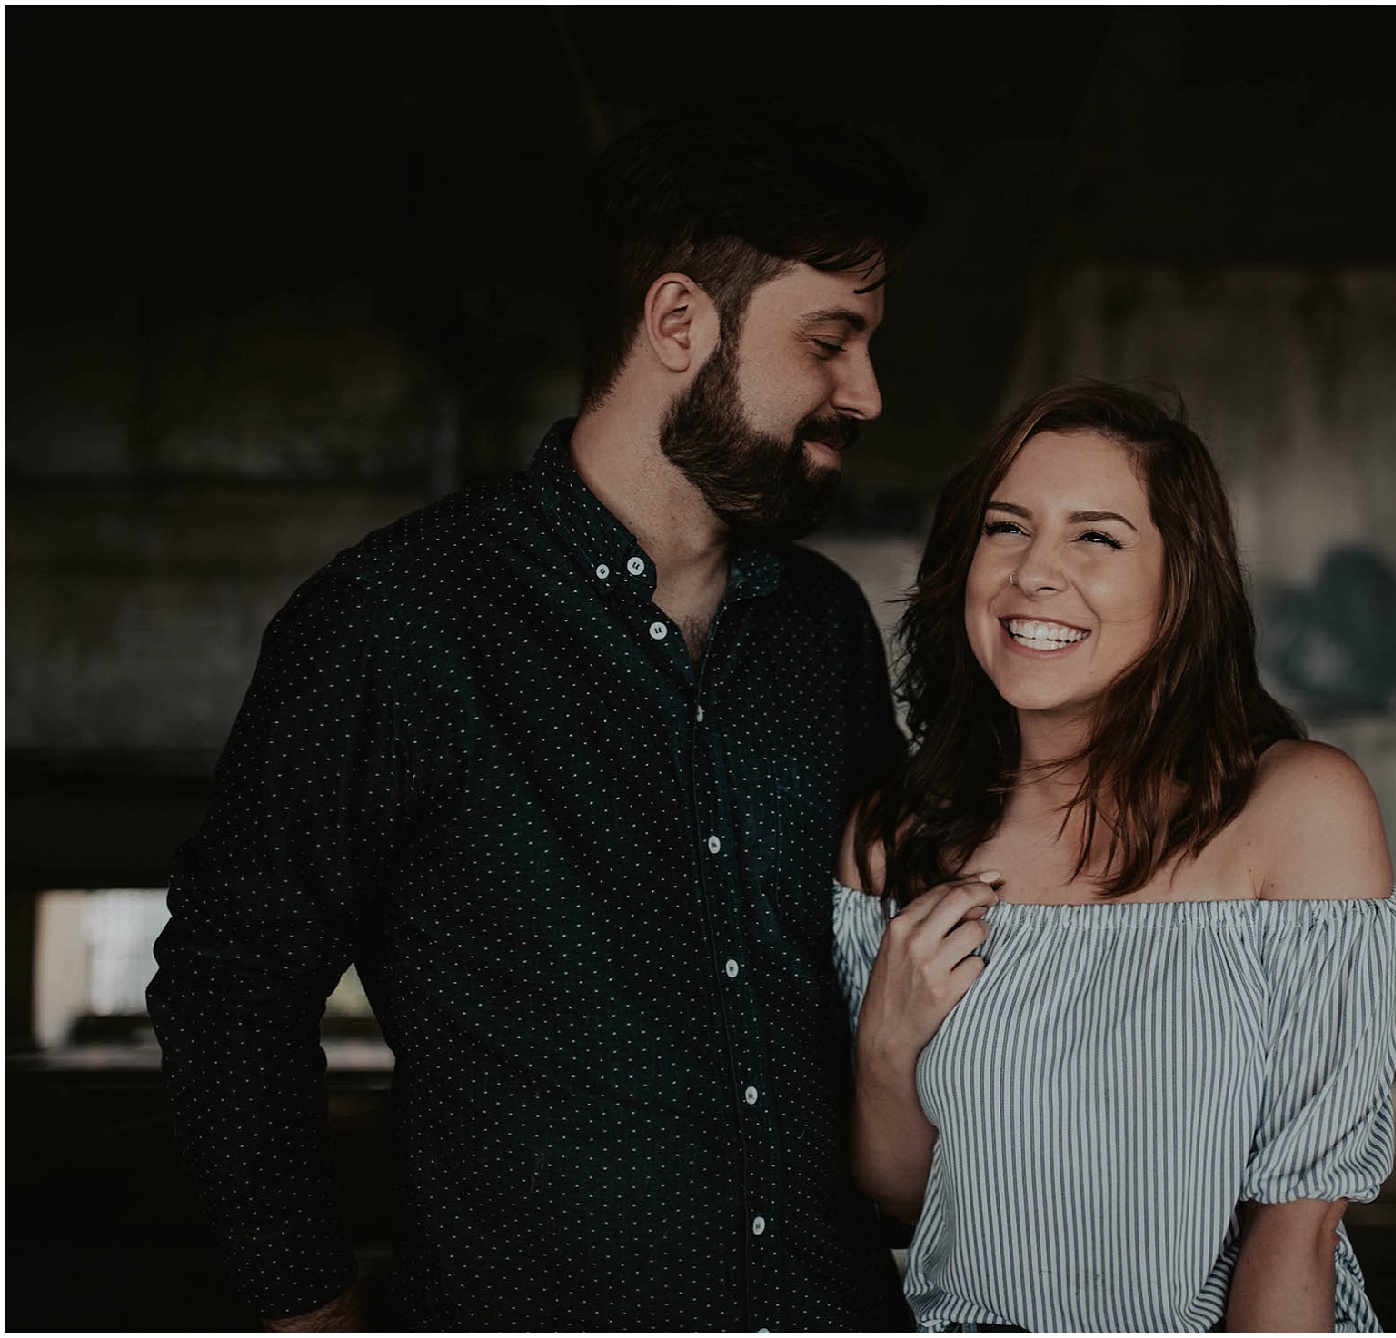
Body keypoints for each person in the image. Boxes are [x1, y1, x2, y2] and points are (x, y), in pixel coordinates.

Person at [147, 105, 924, 1331]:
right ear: (679, 322)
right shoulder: (397, 622)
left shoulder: (820, 628)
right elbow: (229, 982)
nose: (866, 391)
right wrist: (307, 1312)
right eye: (829, 341)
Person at [832, 382, 1396, 1332]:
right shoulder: (897, 839)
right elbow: (902, 1199)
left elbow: (1295, 1227)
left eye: (1095, 537)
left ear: (1181, 584)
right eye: (1007, 527)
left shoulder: (1296, 813)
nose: (1033, 573)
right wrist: (889, 1041)